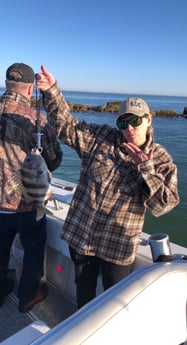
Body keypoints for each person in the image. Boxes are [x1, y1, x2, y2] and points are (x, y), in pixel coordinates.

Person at [37, 65, 179, 309]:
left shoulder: (162, 160)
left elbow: (163, 206)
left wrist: (145, 169)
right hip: (82, 237)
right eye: (123, 123)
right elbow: (66, 126)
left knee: (112, 305)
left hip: (117, 247)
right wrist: (52, 91)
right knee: (84, 294)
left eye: (135, 121)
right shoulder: (100, 138)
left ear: (148, 119)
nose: (129, 128)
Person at [0, 63, 63, 312]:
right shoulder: (37, 118)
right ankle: (28, 296)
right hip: (24, 204)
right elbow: (55, 161)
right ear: (29, 89)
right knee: (33, 249)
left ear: (7, 84)